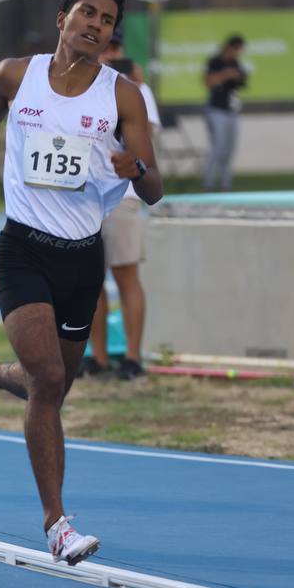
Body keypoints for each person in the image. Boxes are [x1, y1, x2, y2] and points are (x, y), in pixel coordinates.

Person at [0, 0, 163, 565]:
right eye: (87, 12)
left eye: (107, 19)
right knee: (49, 382)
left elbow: (155, 189)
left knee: (56, 378)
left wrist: (132, 165)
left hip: (81, 257)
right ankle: (57, 523)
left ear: (112, 35)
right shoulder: (16, 74)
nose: (96, 24)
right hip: (23, 250)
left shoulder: (123, 96)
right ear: (63, 17)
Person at [83, 29, 161, 380]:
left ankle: (133, 357)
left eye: (116, 47)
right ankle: (96, 357)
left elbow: (149, 136)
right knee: (89, 283)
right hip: (82, 197)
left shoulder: (135, 89)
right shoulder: (78, 84)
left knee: (126, 277)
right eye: (105, 47)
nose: (110, 54)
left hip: (123, 196)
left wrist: (137, 84)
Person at [202, 34, 246, 192]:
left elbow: (242, 82)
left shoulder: (236, 63)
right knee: (217, 148)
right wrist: (225, 74)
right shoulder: (215, 61)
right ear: (230, 47)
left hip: (232, 110)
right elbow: (208, 82)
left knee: (229, 149)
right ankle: (208, 184)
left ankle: (225, 185)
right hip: (216, 110)